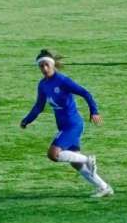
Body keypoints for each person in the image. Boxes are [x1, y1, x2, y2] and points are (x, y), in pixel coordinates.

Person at [20, 49, 114, 198]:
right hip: (63, 126)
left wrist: (94, 111)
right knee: (75, 162)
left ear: (52, 65)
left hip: (73, 124)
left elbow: (85, 93)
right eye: (41, 66)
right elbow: (39, 106)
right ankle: (104, 187)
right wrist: (27, 120)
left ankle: (88, 159)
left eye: (46, 65)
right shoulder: (43, 85)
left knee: (53, 154)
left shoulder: (62, 81)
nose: (44, 69)